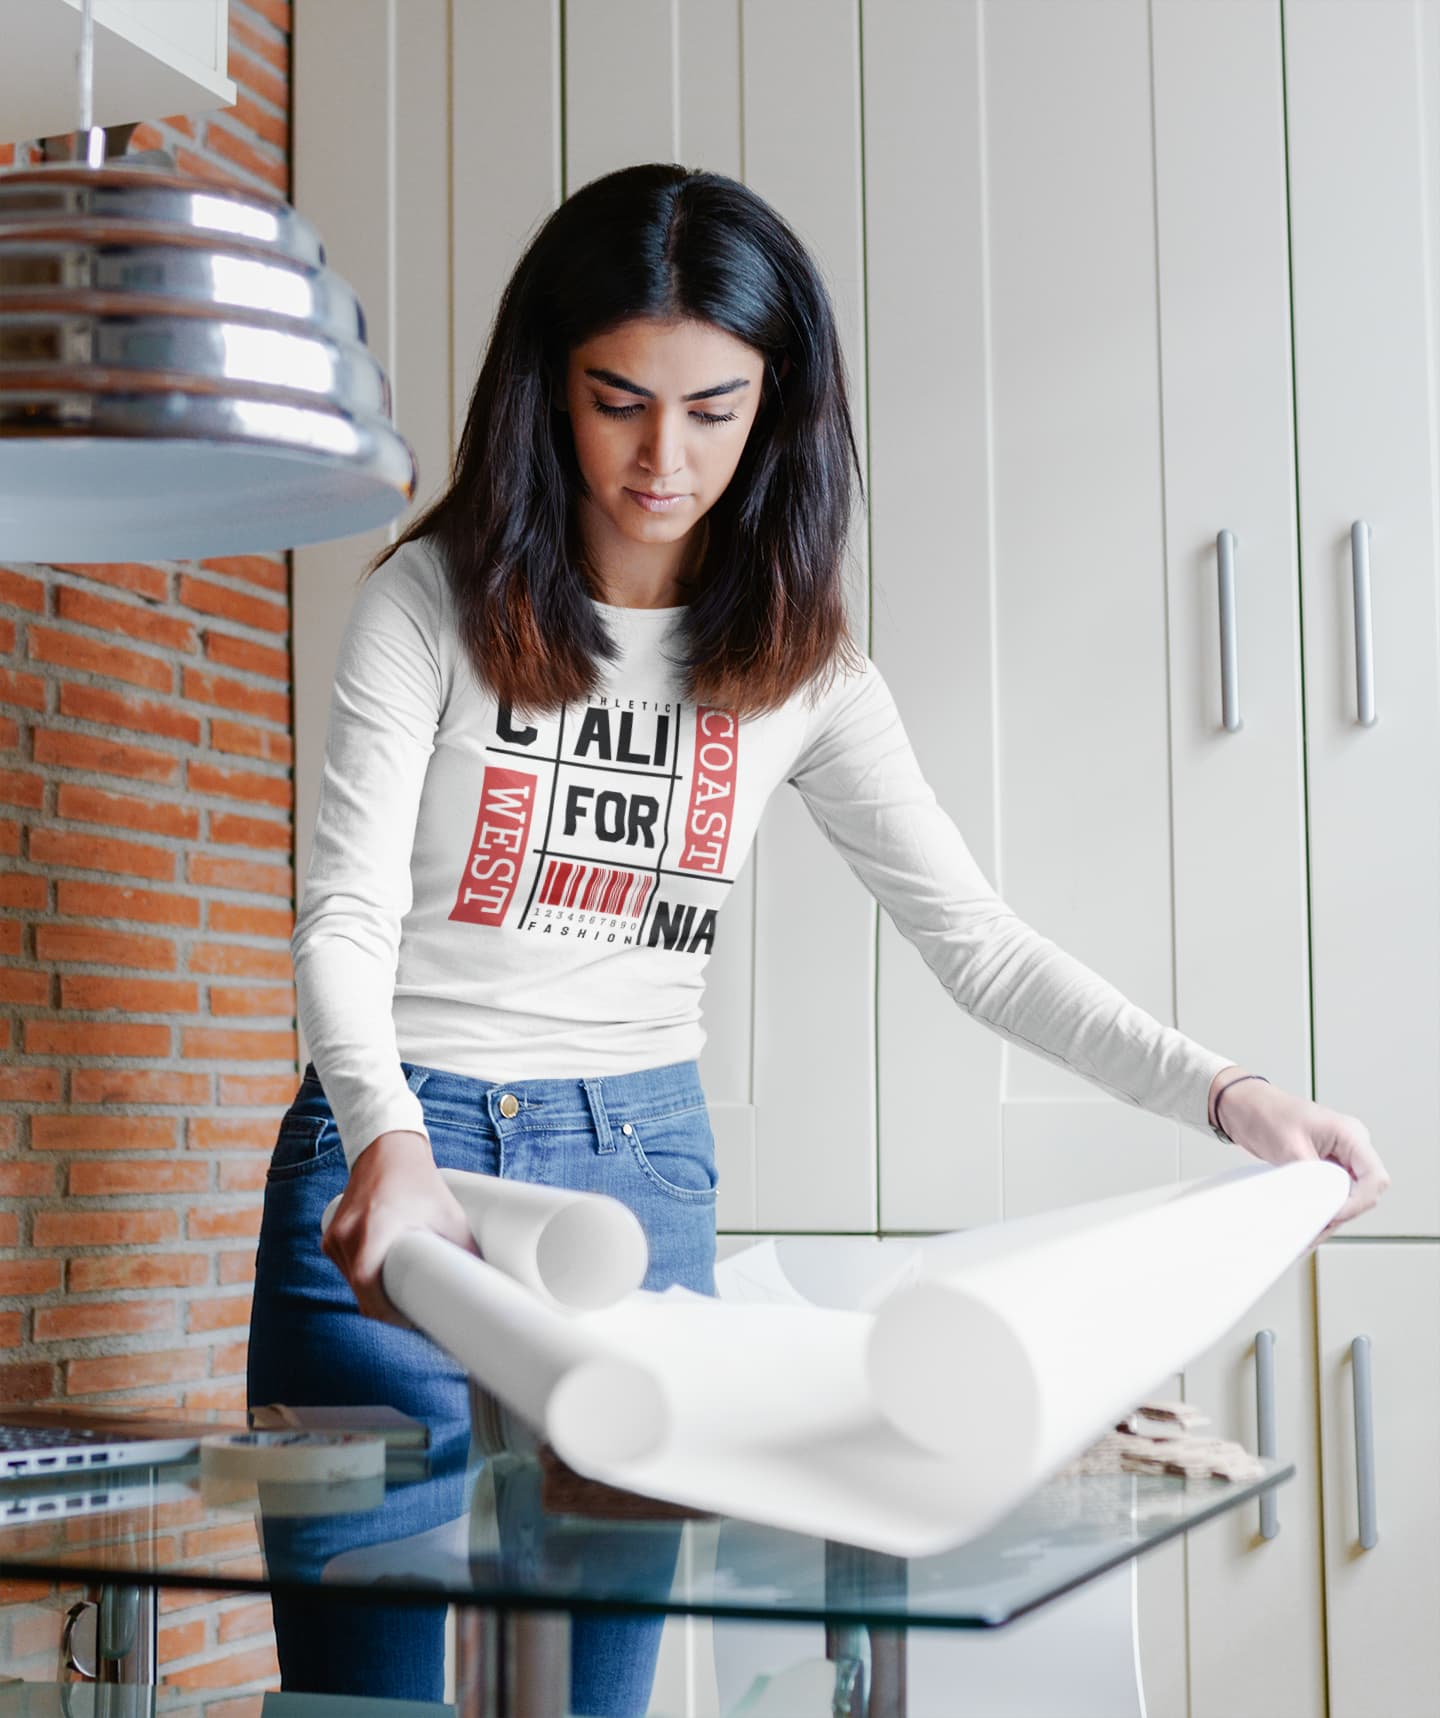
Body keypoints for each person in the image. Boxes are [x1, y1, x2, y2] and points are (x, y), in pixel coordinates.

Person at [247, 161, 1390, 1715]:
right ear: (545, 389)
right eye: (618, 400)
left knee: (600, 1696)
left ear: (775, 404)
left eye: (715, 408)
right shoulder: (430, 606)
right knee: (362, 1696)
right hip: (391, 1159)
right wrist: (382, 1129)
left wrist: (1227, 1089)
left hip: (630, 1180)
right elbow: (344, 917)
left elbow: (973, 942)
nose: (666, 456)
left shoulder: (800, 668)